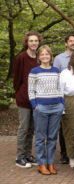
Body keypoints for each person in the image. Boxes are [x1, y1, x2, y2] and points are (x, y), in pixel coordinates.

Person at [28, 45, 65, 175]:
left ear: (51, 56)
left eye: (47, 54)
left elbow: (59, 88)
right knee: (39, 137)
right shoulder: (34, 71)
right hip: (41, 107)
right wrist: (35, 105)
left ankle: (50, 163)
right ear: (39, 57)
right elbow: (31, 90)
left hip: (56, 107)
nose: (45, 56)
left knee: (52, 137)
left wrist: (62, 103)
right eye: (42, 54)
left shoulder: (56, 70)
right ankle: (41, 164)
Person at [13, 31, 42, 168]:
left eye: (36, 41)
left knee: (31, 128)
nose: (34, 43)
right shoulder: (21, 58)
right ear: (26, 42)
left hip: (36, 100)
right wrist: (20, 93)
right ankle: (19, 157)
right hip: (24, 99)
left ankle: (27, 155)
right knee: (24, 127)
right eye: (31, 41)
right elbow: (17, 79)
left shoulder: (39, 58)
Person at [53, 34, 74, 164]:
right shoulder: (59, 59)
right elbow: (55, 78)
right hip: (65, 96)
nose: (73, 43)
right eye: (70, 41)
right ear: (66, 43)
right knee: (64, 126)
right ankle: (64, 152)